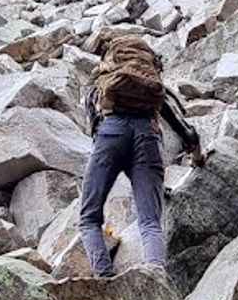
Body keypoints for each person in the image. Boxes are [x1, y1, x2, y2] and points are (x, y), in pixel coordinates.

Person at [79, 31, 205, 278]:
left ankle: (104, 281)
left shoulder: (100, 83)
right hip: (147, 134)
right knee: (149, 221)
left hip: (109, 135)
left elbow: (94, 126)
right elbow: (184, 128)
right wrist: (198, 157)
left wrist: (107, 154)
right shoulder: (152, 89)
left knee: (89, 218)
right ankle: (156, 279)